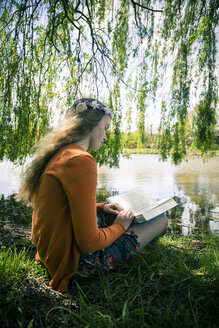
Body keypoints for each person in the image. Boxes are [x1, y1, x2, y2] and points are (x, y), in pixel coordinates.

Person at [17, 98, 168, 292]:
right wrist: (120, 227)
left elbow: (63, 207)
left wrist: (101, 207)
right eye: (105, 128)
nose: (105, 136)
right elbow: (89, 243)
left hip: (51, 253)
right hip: (75, 263)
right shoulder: (82, 160)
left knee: (118, 215)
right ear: (92, 124)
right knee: (160, 219)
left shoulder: (60, 153)